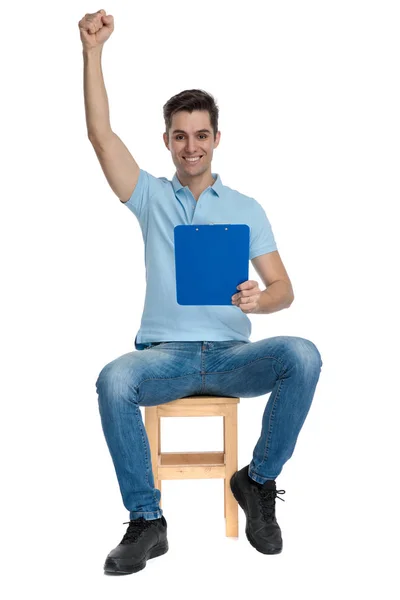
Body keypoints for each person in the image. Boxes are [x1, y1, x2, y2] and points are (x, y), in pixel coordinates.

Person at [79, 9, 323, 576]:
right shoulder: (149, 198)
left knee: (304, 355)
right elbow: (100, 135)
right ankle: (147, 520)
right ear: (166, 141)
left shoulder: (246, 209)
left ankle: (258, 483)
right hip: (167, 358)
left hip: (235, 358)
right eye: (181, 136)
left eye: (202, 135)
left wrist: (263, 300)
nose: (192, 147)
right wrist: (93, 53)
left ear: (217, 138)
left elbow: (285, 288)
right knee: (113, 379)